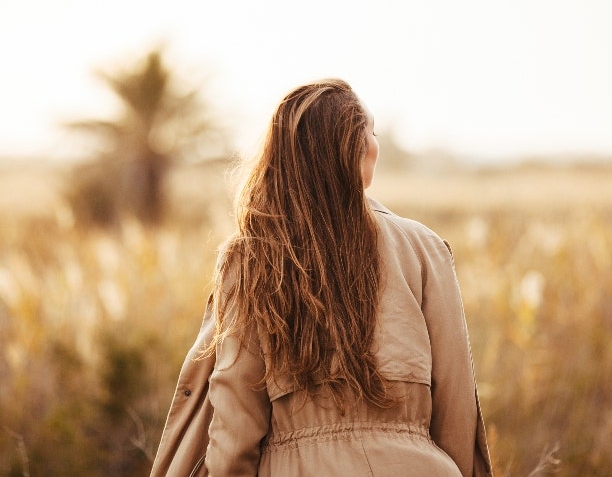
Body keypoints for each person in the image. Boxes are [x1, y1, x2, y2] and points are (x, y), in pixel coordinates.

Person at [150, 78, 493, 476]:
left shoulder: (253, 256)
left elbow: (235, 417)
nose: (375, 143)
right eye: (372, 132)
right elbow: (456, 405)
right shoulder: (426, 249)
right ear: (357, 148)